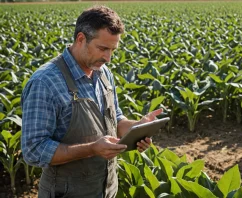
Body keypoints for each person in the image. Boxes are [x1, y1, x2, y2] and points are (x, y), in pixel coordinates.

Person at [21, 5, 161, 198]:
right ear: (81, 39)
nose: (108, 58)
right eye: (102, 48)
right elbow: (33, 150)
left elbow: (115, 119)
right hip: (66, 192)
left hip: (106, 189)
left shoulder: (103, 74)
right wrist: (92, 149)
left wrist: (136, 128)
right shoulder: (45, 82)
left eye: (112, 49)